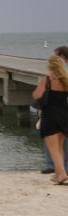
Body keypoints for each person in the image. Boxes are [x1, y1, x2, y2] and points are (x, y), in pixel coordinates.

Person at [33, 55, 68, 184]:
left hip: (50, 116)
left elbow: (37, 95)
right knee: (60, 148)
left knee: (53, 149)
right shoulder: (66, 80)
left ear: (50, 66)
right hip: (64, 115)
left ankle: (62, 174)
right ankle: (57, 175)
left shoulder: (47, 79)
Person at [41, 46, 68, 174]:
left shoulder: (60, 71)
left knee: (53, 141)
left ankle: (57, 168)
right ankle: (56, 168)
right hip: (61, 109)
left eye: (56, 55)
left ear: (62, 57)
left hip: (56, 111)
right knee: (58, 142)